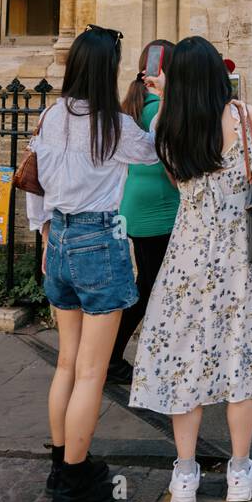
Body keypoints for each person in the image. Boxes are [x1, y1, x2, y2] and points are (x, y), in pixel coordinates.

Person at [129, 36, 252, 502]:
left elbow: (176, 179)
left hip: (187, 253)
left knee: (184, 356)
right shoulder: (243, 116)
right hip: (238, 254)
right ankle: (239, 470)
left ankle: (184, 474)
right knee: (241, 355)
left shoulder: (164, 122)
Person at [27, 25, 161, 502]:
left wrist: (44, 237)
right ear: (108, 70)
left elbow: (35, 187)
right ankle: (76, 479)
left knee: (67, 364)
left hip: (59, 239)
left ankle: (63, 464)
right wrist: (162, 99)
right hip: (98, 241)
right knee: (92, 371)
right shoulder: (114, 126)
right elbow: (157, 152)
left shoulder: (50, 116)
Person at [105, 40, 179, 386]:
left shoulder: (134, 104)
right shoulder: (158, 109)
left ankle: (113, 356)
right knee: (152, 287)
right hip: (160, 209)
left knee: (148, 283)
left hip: (136, 207)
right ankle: (114, 358)